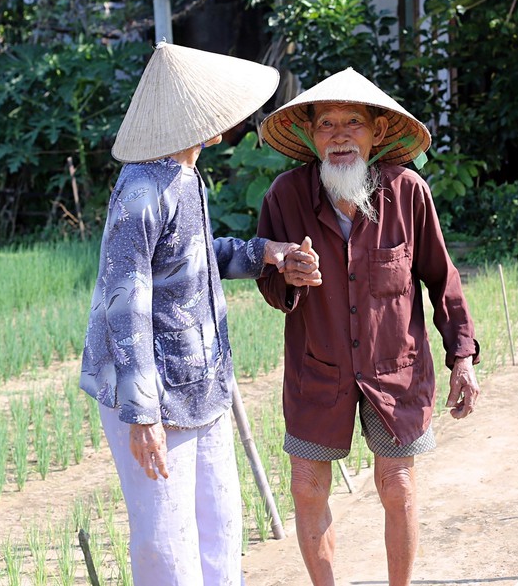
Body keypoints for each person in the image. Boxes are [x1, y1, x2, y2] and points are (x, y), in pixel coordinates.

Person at [79, 41, 320, 586]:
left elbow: (190, 259)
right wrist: (141, 417)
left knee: (218, 527)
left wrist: (265, 253)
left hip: (201, 383)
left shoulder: (185, 176)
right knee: (167, 542)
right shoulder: (143, 191)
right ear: (195, 120)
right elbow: (126, 301)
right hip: (155, 396)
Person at [256, 67, 480, 586]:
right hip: (318, 370)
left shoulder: (408, 193)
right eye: (326, 124)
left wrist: (462, 359)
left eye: (352, 122)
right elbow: (270, 286)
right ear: (311, 137)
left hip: (394, 372)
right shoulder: (285, 197)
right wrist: (287, 273)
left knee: (397, 483)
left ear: (377, 132)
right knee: (307, 484)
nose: (339, 135)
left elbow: (441, 280)